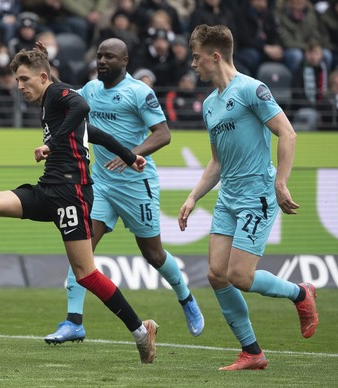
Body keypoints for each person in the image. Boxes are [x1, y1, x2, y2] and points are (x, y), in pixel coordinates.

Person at [0, 47, 159, 364]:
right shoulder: (50, 103)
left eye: (24, 79)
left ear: (43, 76)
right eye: (17, 80)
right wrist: (131, 157)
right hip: (48, 189)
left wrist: (50, 143)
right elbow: (96, 132)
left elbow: (82, 105)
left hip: (71, 193)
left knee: (86, 274)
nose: (20, 86)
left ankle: (141, 333)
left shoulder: (61, 93)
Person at [42, 38, 204, 345]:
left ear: (125, 61)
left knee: (153, 254)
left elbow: (163, 134)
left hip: (135, 184)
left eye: (109, 57)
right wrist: (43, 63)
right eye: (99, 55)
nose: (102, 61)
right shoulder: (89, 91)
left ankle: (185, 298)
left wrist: (131, 153)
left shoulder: (139, 92)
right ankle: (74, 321)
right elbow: (55, 92)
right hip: (100, 184)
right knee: (81, 247)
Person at [178, 24, 318, 371]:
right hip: (228, 197)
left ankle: (301, 294)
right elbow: (217, 162)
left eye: (196, 58)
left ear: (215, 56)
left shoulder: (252, 89)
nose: (192, 65)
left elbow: (287, 133)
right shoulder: (210, 104)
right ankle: (252, 352)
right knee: (216, 274)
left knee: (240, 276)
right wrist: (194, 196)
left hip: (257, 193)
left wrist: (281, 182)